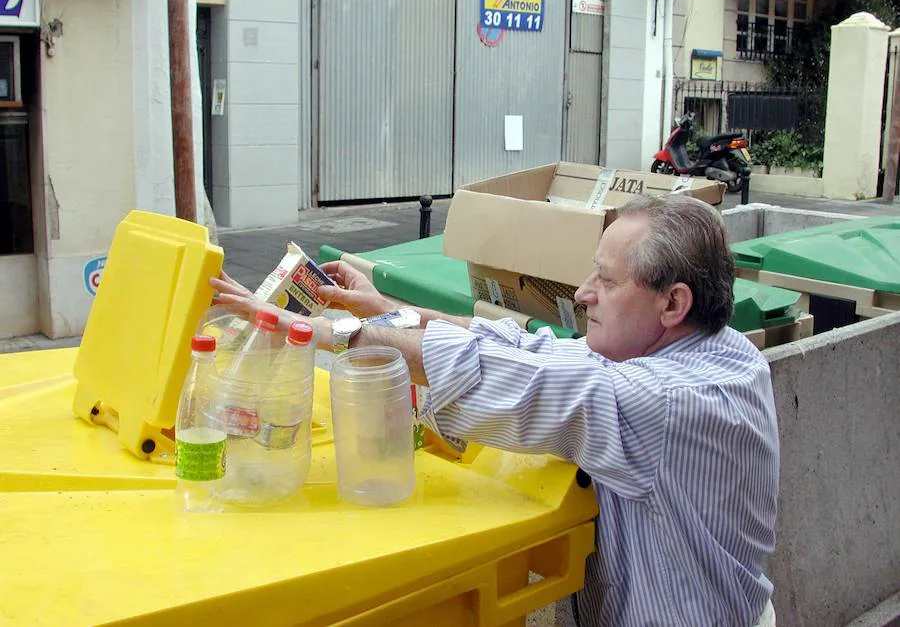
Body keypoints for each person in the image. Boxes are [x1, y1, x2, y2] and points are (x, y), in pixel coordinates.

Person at [210, 194, 779, 627]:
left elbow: (512, 377)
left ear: (673, 302)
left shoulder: (669, 403)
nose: (582, 294)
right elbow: (526, 349)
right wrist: (387, 310)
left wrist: (333, 334)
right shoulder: (715, 349)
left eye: (606, 281)